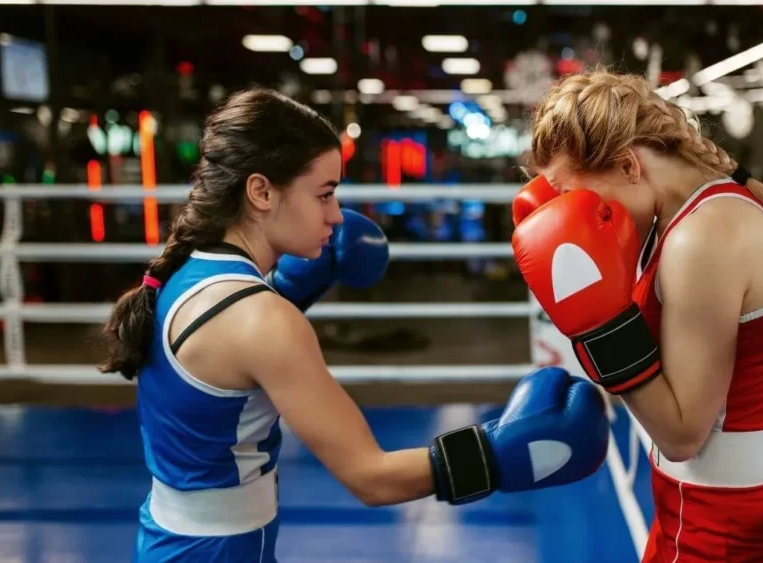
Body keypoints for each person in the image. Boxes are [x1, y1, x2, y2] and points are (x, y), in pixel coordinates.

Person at [98, 87, 610, 563]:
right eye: (324, 194)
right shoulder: (262, 319)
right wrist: (498, 452)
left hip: (168, 539)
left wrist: (295, 289)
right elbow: (372, 477)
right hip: (220, 551)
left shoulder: (183, 271)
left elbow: (224, 363)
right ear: (261, 192)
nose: (338, 216)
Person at [512, 68, 763, 562]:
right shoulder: (684, 219)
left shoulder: (702, 238)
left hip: (720, 529)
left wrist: (599, 326)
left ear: (629, 165)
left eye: (574, 196)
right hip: (698, 511)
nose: (572, 215)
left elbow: (681, 433)